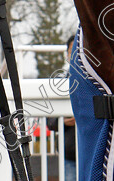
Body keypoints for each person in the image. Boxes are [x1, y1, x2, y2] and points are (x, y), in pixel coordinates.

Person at [48, 35, 77, 181]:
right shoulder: (59, 83)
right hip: (69, 154)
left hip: (93, 151)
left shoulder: (96, 81)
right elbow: (50, 121)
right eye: (72, 50)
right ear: (67, 55)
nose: (76, 55)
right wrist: (63, 121)